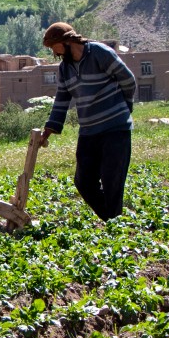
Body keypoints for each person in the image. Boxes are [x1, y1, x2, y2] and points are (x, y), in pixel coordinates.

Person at [39, 22, 136, 221]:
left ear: (66, 42)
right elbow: (61, 99)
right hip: (89, 131)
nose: (55, 53)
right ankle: (112, 220)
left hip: (115, 129)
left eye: (54, 48)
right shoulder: (65, 69)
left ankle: (114, 223)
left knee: (112, 180)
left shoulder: (99, 53)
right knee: (83, 182)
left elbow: (128, 80)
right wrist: (49, 128)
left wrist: (124, 108)